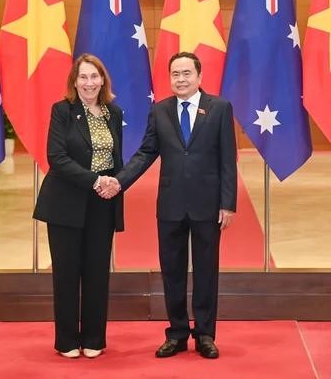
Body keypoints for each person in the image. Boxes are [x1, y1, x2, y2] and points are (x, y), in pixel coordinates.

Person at [100, 51, 236, 359]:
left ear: (199, 77)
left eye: (187, 73)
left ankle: (204, 334)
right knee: (172, 272)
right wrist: (120, 181)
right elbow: (145, 153)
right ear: (170, 78)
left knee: (205, 272)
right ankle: (176, 333)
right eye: (175, 74)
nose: (181, 79)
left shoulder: (220, 109)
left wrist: (228, 203)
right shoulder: (160, 111)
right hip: (171, 206)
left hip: (208, 205)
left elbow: (228, 159)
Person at [33, 54, 124, 359]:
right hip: (65, 202)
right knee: (67, 273)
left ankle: (95, 339)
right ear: (74, 81)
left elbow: (116, 158)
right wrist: (95, 181)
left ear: (103, 80)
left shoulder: (114, 112)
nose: (89, 83)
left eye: (94, 77)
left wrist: (114, 182)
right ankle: (68, 340)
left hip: (102, 204)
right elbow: (56, 158)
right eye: (82, 77)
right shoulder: (62, 111)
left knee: (98, 273)